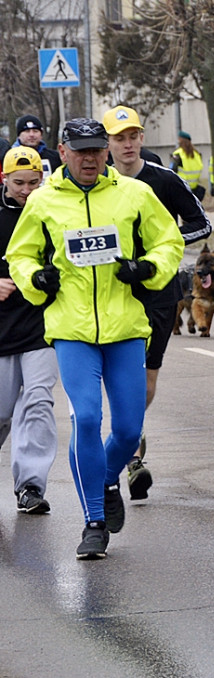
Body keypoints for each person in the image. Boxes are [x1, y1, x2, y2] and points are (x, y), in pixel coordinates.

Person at [6, 118, 184, 559]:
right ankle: (93, 523)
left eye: (96, 150)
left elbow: (169, 242)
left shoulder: (134, 194)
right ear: (62, 152)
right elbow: (20, 255)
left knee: (127, 429)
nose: (89, 158)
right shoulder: (44, 201)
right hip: (71, 329)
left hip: (124, 326)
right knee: (86, 418)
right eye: (80, 150)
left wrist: (147, 268)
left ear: (106, 152)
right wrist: (37, 279)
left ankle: (105, 478)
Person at [102, 105, 212, 500]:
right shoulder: (98, 181)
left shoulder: (163, 180)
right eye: (119, 138)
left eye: (133, 136)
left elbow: (202, 223)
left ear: (142, 139)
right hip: (114, 291)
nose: (127, 144)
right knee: (121, 374)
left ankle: (132, 428)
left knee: (146, 382)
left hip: (160, 291)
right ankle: (130, 455)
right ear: (108, 143)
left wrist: (163, 247)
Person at [0, 147, 58, 515]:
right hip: (2, 330)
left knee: (38, 402)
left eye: (34, 182)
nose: (26, 190)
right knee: (3, 413)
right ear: (4, 179)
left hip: (41, 326)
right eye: (18, 183)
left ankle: (31, 486)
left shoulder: (51, 211)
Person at [171, 131, 205, 201]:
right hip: (194, 188)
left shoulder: (178, 154)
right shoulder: (196, 154)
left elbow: (172, 170)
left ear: (180, 140)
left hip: (181, 188)